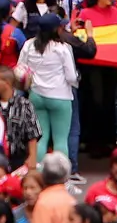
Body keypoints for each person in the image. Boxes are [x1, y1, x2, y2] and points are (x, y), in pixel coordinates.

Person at [16, 12, 78, 160]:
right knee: (61, 140)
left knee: (40, 138)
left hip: (36, 95)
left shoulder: (29, 45)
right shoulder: (62, 48)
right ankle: (60, 177)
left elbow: (20, 69)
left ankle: (36, 175)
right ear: (56, 29)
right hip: (60, 96)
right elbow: (71, 77)